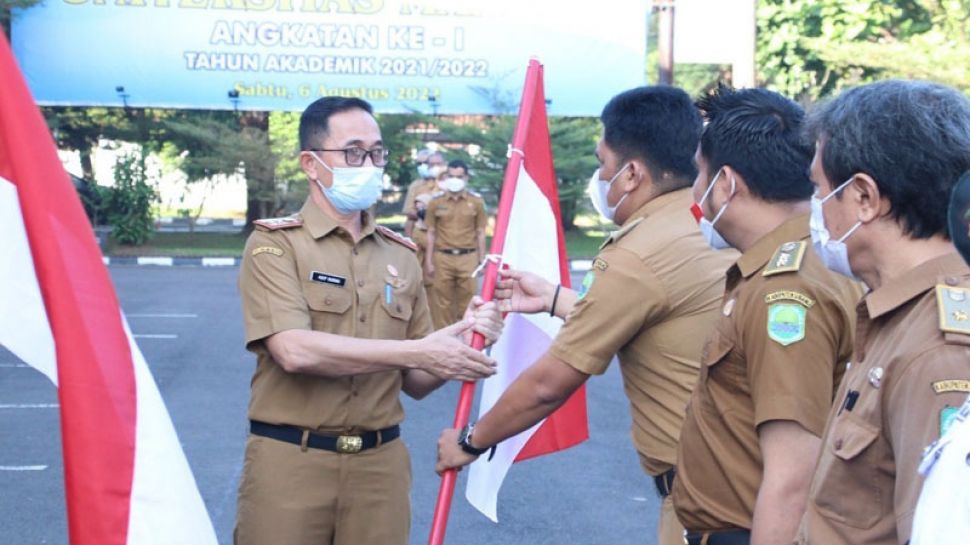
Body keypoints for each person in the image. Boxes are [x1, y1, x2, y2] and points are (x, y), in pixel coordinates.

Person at [434, 85, 737, 545]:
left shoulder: (639, 251)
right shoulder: (710, 224)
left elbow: (547, 385)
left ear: (632, 173)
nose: (600, 176)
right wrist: (556, 298)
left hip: (704, 498)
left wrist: (469, 441)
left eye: (603, 164)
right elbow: (659, 318)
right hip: (743, 474)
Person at [234, 96, 505, 545]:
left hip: (380, 468)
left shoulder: (400, 253)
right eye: (353, 152)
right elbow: (293, 350)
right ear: (312, 163)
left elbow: (416, 380)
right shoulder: (275, 246)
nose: (370, 164)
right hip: (291, 461)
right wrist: (418, 350)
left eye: (377, 152)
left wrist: (466, 337)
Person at [670, 86, 861, 545]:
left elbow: (793, 474)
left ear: (727, 183)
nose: (695, 192)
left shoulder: (785, 290)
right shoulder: (794, 263)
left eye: (699, 174)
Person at [795, 80, 970, 545]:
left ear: (866, 198)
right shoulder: (898, 315)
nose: (815, 210)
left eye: (819, 190)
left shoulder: (938, 349)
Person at [425, 159, 488, 329]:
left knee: (468, 302)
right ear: (446, 177)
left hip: (468, 256)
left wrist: (482, 260)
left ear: (466, 177)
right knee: (442, 304)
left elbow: (481, 232)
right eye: (451, 176)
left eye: (459, 176)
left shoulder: (476, 202)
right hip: (442, 257)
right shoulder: (436, 202)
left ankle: (467, 339)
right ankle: (443, 339)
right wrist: (428, 261)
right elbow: (430, 232)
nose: (455, 179)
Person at [402, 150, 446, 238]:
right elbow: (409, 212)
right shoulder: (416, 185)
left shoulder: (449, 184)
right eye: (419, 163)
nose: (435, 167)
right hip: (421, 234)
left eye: (438, 164)